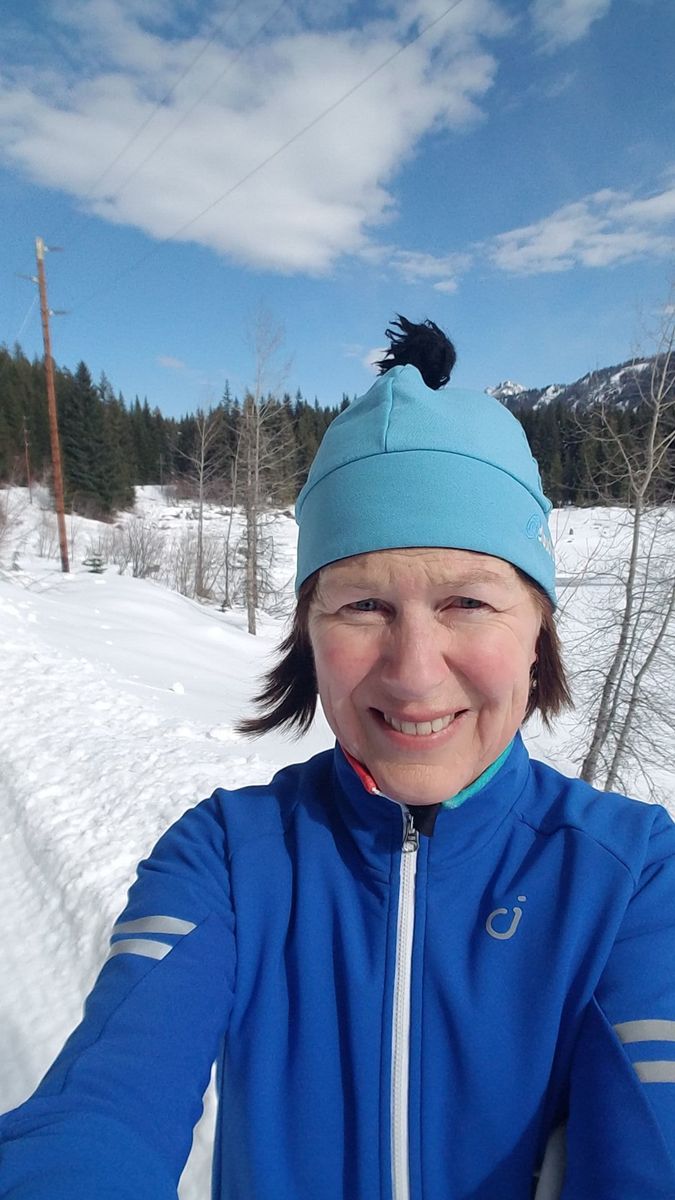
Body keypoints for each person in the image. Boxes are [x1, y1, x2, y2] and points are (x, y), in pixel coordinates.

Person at [2, 316, 675, 1200]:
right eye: (362, 606)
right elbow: (98, 1107)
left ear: (537, 628)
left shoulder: (631, 875)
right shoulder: (227, 860)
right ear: (308, 634)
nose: (414, 672)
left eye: (468, 602)